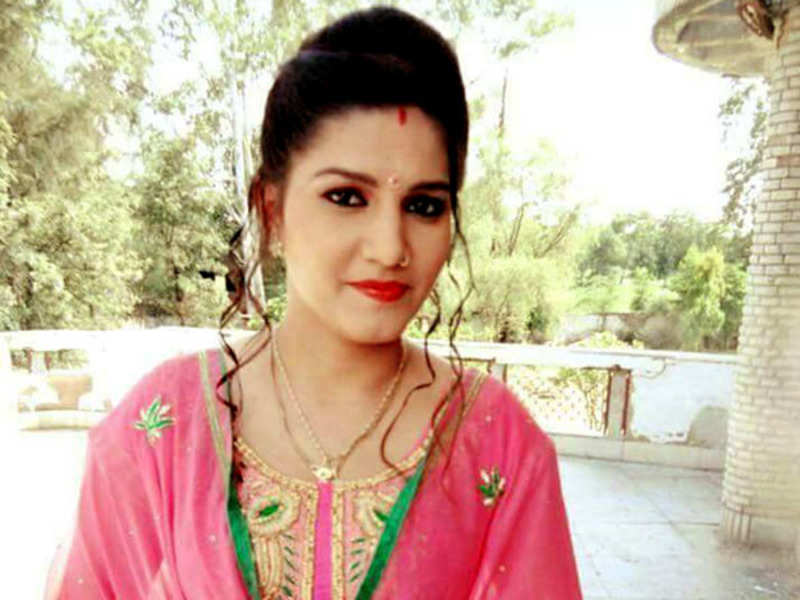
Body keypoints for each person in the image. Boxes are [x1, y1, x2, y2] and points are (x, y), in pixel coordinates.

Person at [49, 7, 582, 599]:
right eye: (347, 196)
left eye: (424, 205)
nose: (390, 248)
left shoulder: (499, 442)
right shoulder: (161, 426)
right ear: (272, 209)